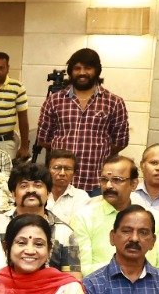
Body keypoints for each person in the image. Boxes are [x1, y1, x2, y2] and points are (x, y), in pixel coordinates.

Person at [34, 49, 129, 193]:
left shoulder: (114, 102)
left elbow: (120, 141)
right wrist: (61, 150)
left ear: (97, 70)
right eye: (77, 68)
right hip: (59, 183)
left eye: (88, 68)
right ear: (70, 71)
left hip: (96, 182)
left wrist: (99, 153)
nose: (82, 72)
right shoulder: (54, 100)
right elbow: (43, 138)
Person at [0, 164, 80, 273]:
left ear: (48, 193)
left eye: (38, 185)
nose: (31, 190)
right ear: (13, 194)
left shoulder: (64, 232)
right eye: (24, 186)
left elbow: (72, 277)